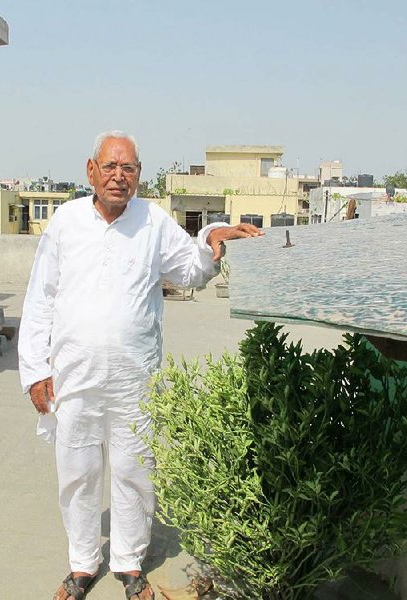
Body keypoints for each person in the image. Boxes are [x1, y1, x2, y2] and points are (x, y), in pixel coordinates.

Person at [18, 131, 263, 600]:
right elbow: (39, 301)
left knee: (135, 470)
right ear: (90, 171)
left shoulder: (153, 222)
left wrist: (214, 236)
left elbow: (190, 269)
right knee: (78, 470)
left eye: (128, 168)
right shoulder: (66, 222)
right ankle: (82, 564)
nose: (118, 176)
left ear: (138, 176)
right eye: (109, 167)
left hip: (135, 378)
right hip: (73, 375)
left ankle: (129, 564)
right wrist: (34, 370)